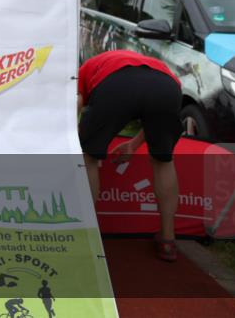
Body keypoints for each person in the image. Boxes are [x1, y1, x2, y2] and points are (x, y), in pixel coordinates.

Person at [78, 49, 182, 262]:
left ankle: (84, 234)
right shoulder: (158, 66)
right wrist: (134, 145)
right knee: (163, 160)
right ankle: (168, 240)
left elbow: (77, 103)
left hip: (116, 84)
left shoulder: (87, 67)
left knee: (88, 157)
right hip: (167, 88)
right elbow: (154, 114)